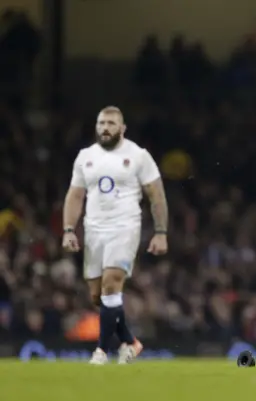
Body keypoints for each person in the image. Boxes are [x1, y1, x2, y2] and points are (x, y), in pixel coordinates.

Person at [62, 106, 168, 365]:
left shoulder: (138, 156)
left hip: (124, 227)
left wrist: (160, 232)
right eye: (101, 123)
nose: (105, 127)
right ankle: (131, 342)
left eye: (111, 123)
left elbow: (156, 194)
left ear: (122, 128)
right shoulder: (85, 157)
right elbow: (75, 195)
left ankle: (101, 351)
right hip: (94, 229)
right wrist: (68, 229)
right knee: (99, 296)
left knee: (112, 283)